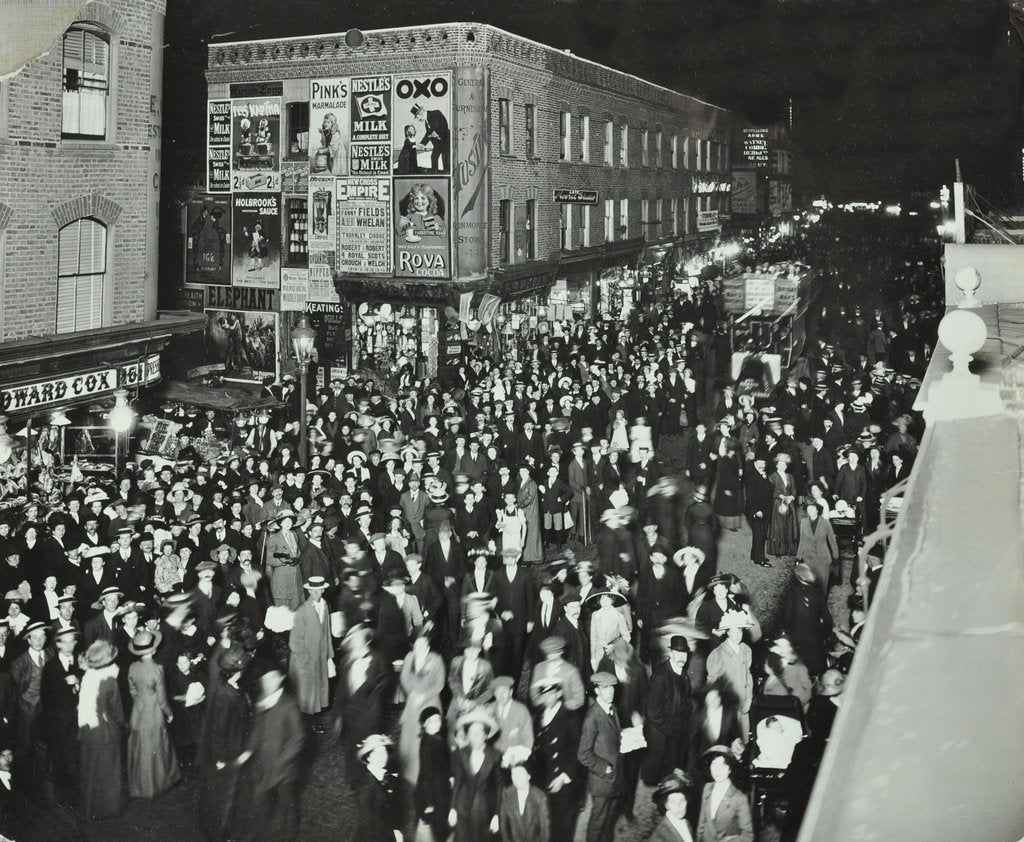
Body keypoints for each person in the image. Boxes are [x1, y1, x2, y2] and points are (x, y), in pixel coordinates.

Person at [239, 665, 306, 841]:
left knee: (287, 806)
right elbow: (257, 728)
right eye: (265, 679)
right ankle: (252, 835)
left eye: (272, 678)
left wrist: (283, 761)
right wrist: (249, 750)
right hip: (262, 765)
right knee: (258, 802)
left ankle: (288, 836)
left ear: (280, 679)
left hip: (283, 771)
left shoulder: (289, 705)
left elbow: (298, 738)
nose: (268, 683)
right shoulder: (261, 700)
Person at [197, 645, 251, 841]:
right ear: (238, 671)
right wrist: (221, 758)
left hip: (230, 748)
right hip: (227, 752)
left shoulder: (225, 687)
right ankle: (221, 833)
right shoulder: (225, 695)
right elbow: (218, 731)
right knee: (224, 795)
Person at [127, 628, 181, 798]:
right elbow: (162, 698)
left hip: (138, 709)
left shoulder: (133, 667)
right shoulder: (157, 669)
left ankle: (140, 786)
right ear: (154, 649)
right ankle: (159, 782)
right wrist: (169, 713)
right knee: (157, 745)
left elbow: (132, 690)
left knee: (141, 747)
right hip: (154, 711)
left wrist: (139, 700)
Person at [78, 638, 125, 819]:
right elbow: (117, 711)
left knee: (90, 770)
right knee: (108, 771)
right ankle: (108, 809)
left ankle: (89, 808)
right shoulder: (109, 681)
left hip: (87, 731)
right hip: (105, 732)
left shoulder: (87, 677)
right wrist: (121, 726)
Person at [578, 671, 624, 842]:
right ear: (597, 691)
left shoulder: (612, 709)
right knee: (598, 822)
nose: (610, 692)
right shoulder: (592, 718)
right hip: (602, 781)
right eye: (605, 688)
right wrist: (604, 767)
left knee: (609, 820)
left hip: (614, 777)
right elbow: (583, 754)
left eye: (612, 688)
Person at [40, 626, 83, 808]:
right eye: (64, 642)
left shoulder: (80, 664)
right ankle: (63, 798)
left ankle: (78, 796)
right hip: (58, 723)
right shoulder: (50, 668)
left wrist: (78, 683)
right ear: (57, 644)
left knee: (76, 757)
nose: (69, 645)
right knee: (60, 760)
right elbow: (46, 699)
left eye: (72, 641)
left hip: (77, 720)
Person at [642, 635, 692, 786]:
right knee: (663, 773)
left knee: (673, 770)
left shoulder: (681, 671)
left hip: (675, 728)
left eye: (684, 653)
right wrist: (671, 729)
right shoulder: (661, 677)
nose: (682, 657)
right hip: (661, 732)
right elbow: (653, 712)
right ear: (671, 654)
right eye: (678, 653)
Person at [398, 630, 444, 784]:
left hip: (430, 701)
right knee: (410, 735)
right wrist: (412, 694)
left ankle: (427, 772)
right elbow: (404, 678)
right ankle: (410, 771)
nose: (420, 649)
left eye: (423, 646)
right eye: (417, 646)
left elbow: (440, 684)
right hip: (413, 701)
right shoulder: (409, 657)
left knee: (426, 737)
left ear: (428, 647)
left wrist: (423, 696)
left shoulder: (436, 660)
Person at [450, 709, 502, 842]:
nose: (475, 736)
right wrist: (453, 809)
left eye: (479, 732)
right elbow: (458, 782)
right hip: (463, 808)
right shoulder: (460, 754)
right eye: (472, 732)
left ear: (486, 734)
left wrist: (496, 815)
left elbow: (499, 788)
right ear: (467, 735)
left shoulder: (495, 756)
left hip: (484, 811)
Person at [288, 575, 334, 727]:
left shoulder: (325, 606)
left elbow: (327, 632)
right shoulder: (302, 611)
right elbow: (294, 640)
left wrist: (329, 656)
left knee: (319, 688)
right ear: (309, 592)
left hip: (320, 655)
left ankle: (316, 718)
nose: (316, 594)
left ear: (323, 590)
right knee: (307, 692)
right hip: (305, 658)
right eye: (313, 591)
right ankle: (308, 723)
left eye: (319, 590)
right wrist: (305, 657)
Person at [778, 563, 834, 677]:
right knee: (816, 664)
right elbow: (827, 617)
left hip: (796, 636)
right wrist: (825, 633)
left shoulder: (792, 592)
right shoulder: (817, 592)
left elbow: (787, 616)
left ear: (799, 576)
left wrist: (787, 630)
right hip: (814, 635)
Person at [705, 610, 754, 740]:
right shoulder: (718, 654)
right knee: (729, 743)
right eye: (733, 631)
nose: (737, 635)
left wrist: (749, 698)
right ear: (727, 632)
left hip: (744, 707)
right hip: (728, 708)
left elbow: (748, 675)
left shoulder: (745, 650)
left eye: (740, 631)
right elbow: (712, 683)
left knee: (743, 743)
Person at [351, 733, 404, 842]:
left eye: (384, 751)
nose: (382, 756)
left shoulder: (383, 775)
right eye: (376, 752)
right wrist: (393, 836)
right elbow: (369, 823)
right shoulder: (365, 785)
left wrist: (395, 829)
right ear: (368, 757)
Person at [695, 747, 753, 842]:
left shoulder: (739, 798)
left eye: (722, 765)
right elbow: (701, 824)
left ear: (729, 769)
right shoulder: (707, 788)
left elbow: (748, 836)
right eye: (714, 765)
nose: (717, 770)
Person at [415, 706, 452, 842]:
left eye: (438, 720)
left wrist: (450, 776)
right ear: (425, 724)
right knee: (439, 828)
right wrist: (430, 803)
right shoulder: (427, 746)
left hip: (441, 788)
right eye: (433, 721)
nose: (437, 723)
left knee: (443, 825)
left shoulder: (436, 738)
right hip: (433, 793)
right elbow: (427, 776)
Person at [498, 747, 550, 842]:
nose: (517, 778)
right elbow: (504, 826)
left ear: (528, 776)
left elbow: (545, 831)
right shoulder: (507, 794)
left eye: (520, 774)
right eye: (513, 774)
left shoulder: (539, 797)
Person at [795, 502, 839, 596]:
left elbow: (832, 540)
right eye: (808, 508)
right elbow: (802, 540)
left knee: (822, 590)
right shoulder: (804, 522)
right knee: (809, 588)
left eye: (813, 508)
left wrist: (835, 555)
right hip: (808, 559)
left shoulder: (826, 522)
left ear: (817, 510)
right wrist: (798, 557)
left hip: (823, 559)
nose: (810, 510)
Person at [650, 770, 697, 842]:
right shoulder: (659, 837)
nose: (678, 806)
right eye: (673, 802)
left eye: (681, 800)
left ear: (686, 801)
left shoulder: (687, 823)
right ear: (666, 805)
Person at [766, 453, 799, 557]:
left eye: (784, 465)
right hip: (778, 504)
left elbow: (794, 489)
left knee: (789, 525)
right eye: (780, 464)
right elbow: (769, 491)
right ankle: (778, 550)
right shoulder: (772, 477)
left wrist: (792, 497)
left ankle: (789, 550)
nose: (782, 466)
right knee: (778, 527)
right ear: (776, 465)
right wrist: (781, 496)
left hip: (789, 504)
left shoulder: (790, 476)